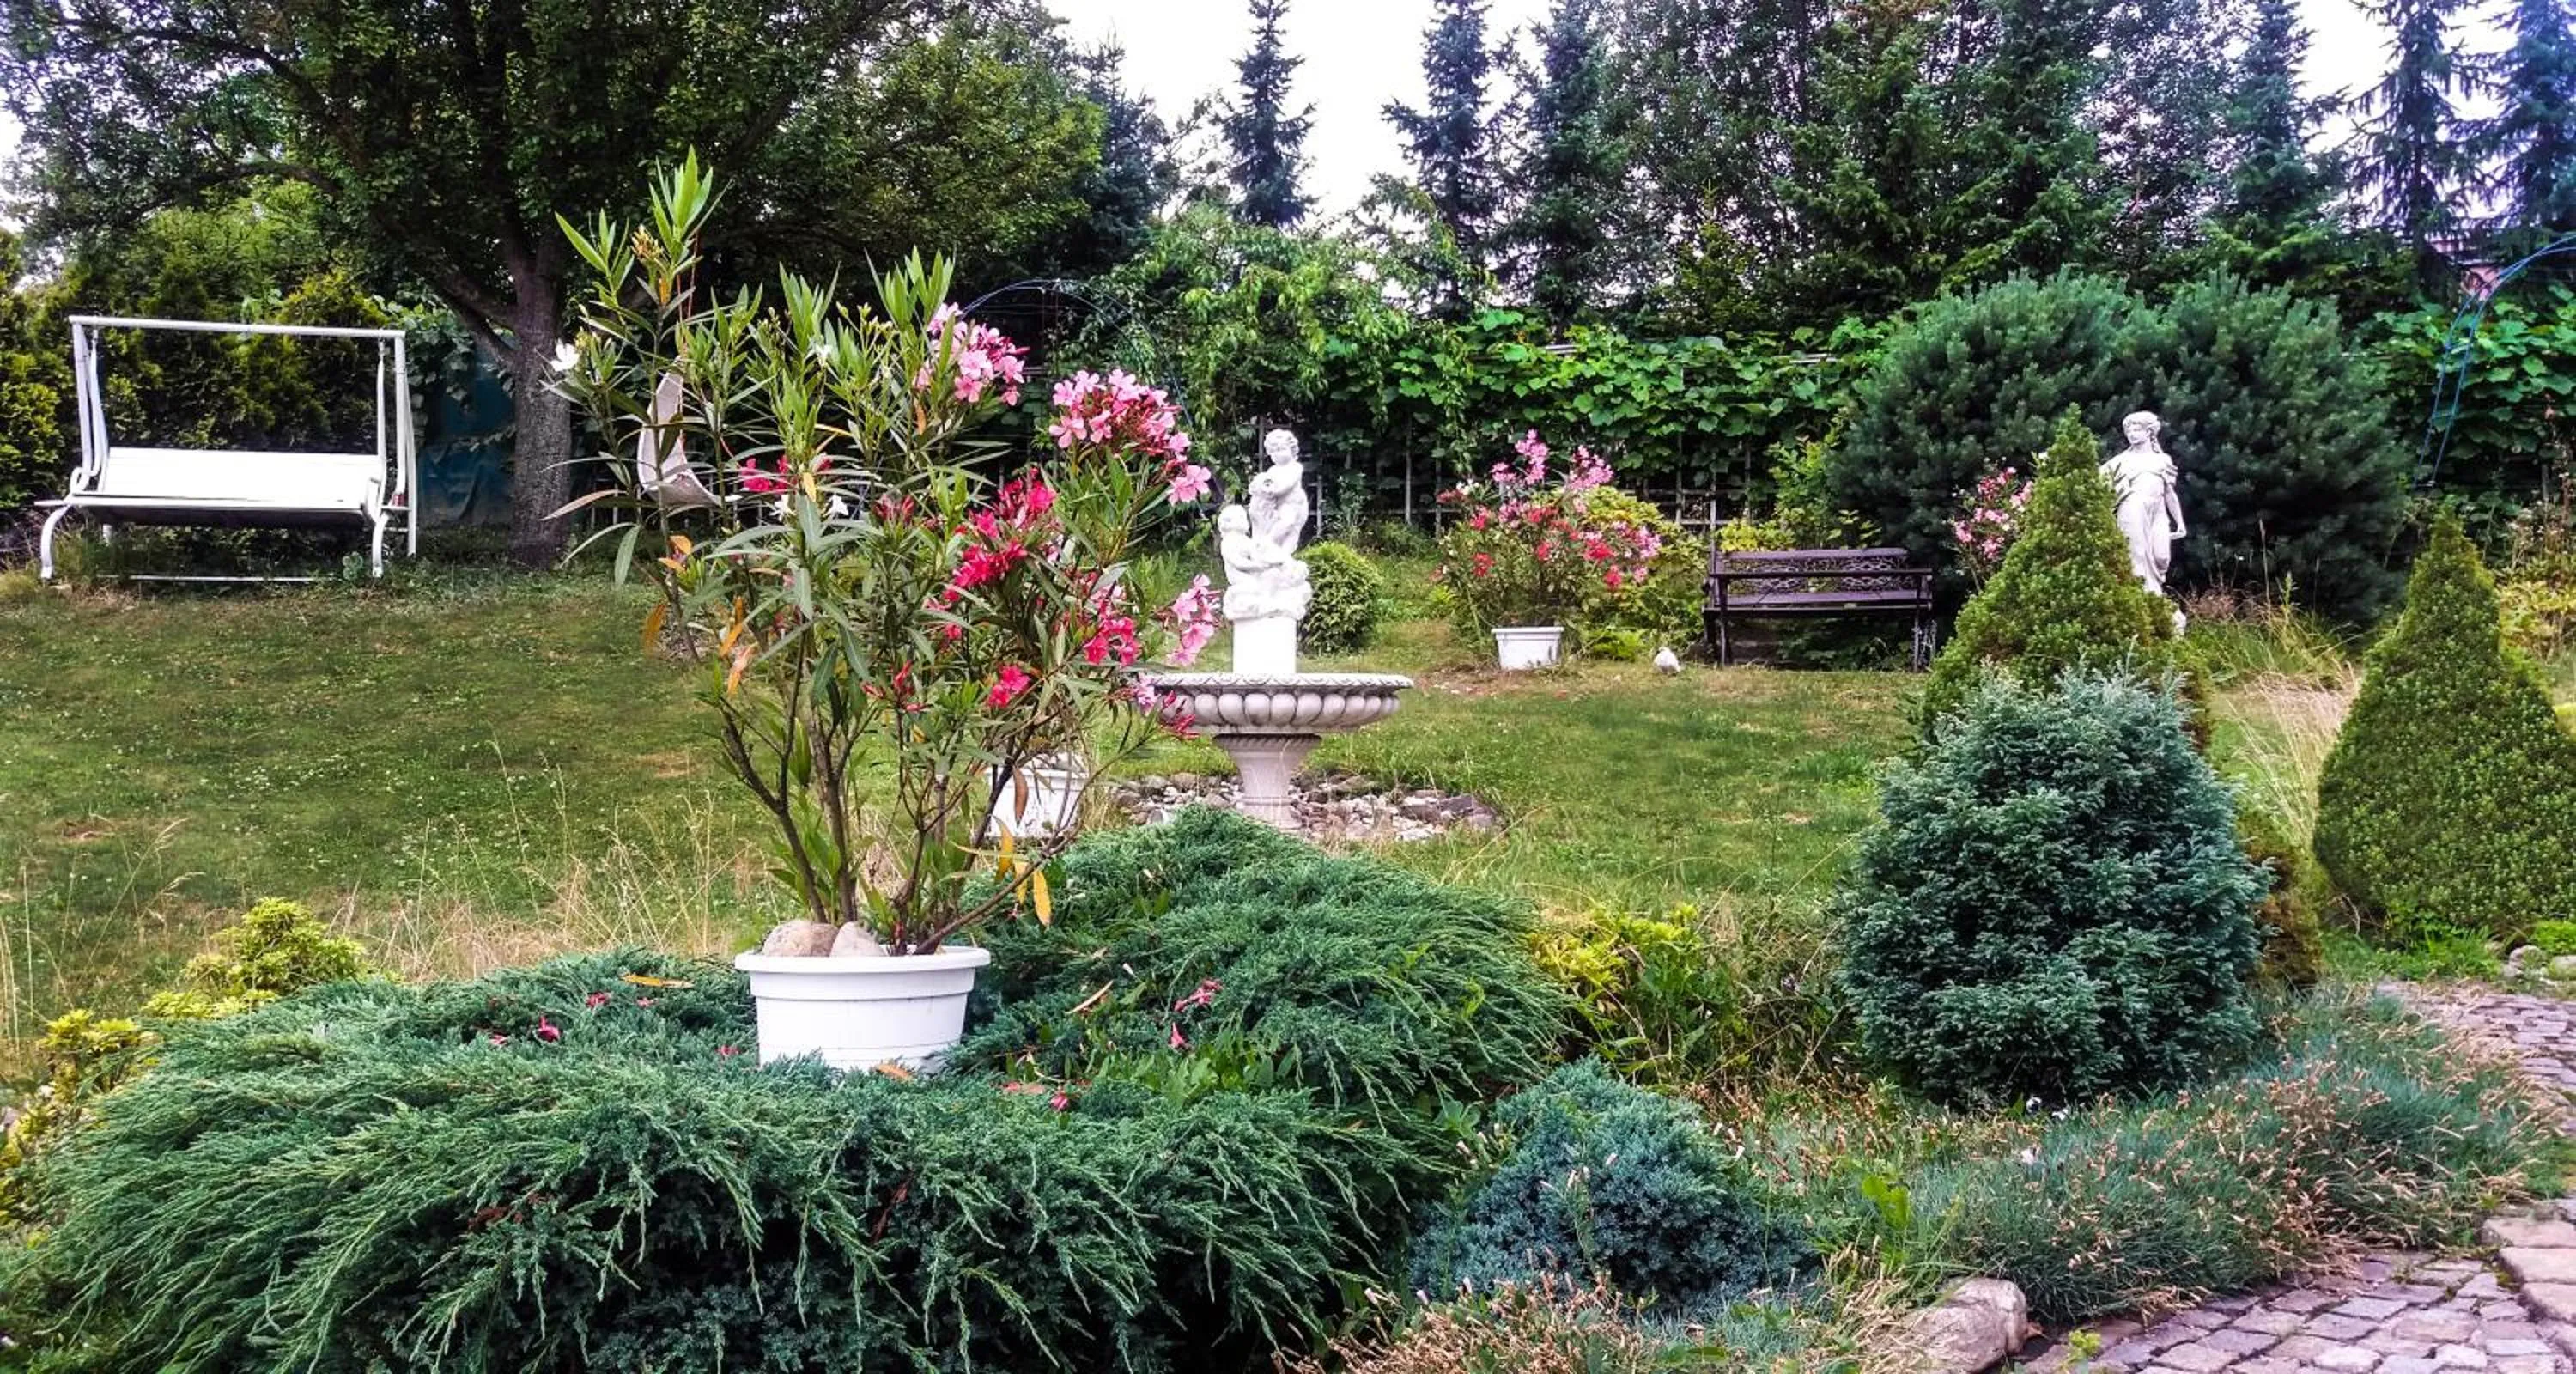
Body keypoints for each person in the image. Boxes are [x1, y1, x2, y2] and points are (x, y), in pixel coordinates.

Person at [2099, 410, 2187, 624]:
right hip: (2132, 509)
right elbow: (2097, 481)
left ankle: (2154, 597)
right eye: (2128, 430)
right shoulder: (2120, 461)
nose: (2131, 434)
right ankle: (2143, 601)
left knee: (2161, 557)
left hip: (2157, 512)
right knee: (2136, 557)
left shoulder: (2162, 459)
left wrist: (2180, 521)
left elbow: (2169, 494)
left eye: (2136, 429)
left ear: (2149, 432)